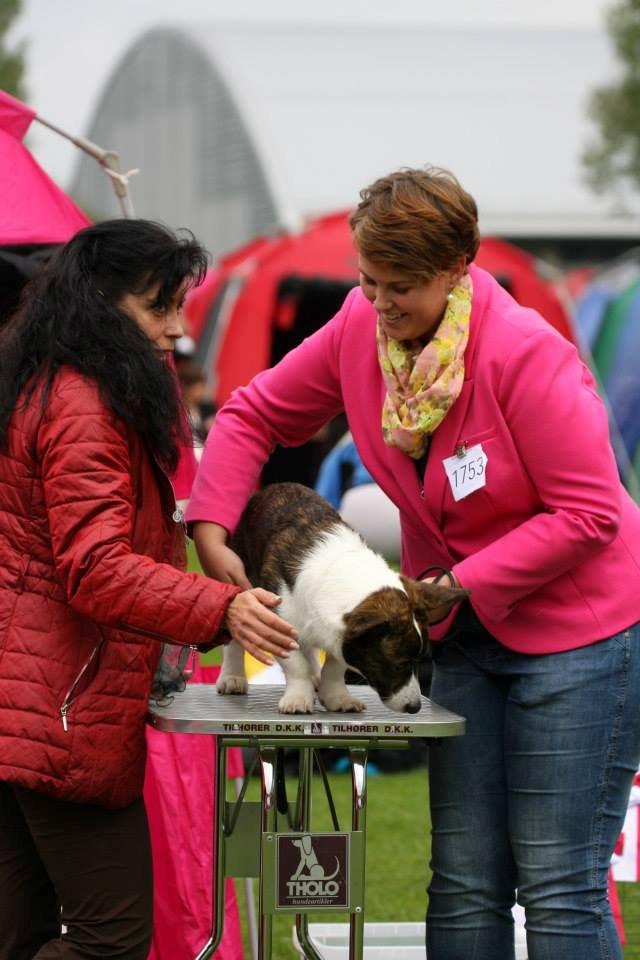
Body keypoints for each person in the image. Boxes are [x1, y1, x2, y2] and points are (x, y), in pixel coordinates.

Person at [186, 166, 640, 960]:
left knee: (558, 885)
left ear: (455, 271)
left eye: (402, 287)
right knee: (462, 879)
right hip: (460, 631)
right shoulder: (358, 331)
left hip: (583, 639)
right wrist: (213, 524)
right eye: (369, 283)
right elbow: (254, 410)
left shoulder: (528, 355)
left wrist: (460, 582)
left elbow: (592, 513)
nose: (381, 304)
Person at [0, 218, 298, 960]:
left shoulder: (47, 378)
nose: (178, 327)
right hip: (56, 713)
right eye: (159, 306)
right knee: (112, 941)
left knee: (22, 936)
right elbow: (94, 566)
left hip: (29, 701)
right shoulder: (81, 403)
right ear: (102, 303)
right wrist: (219, 607)